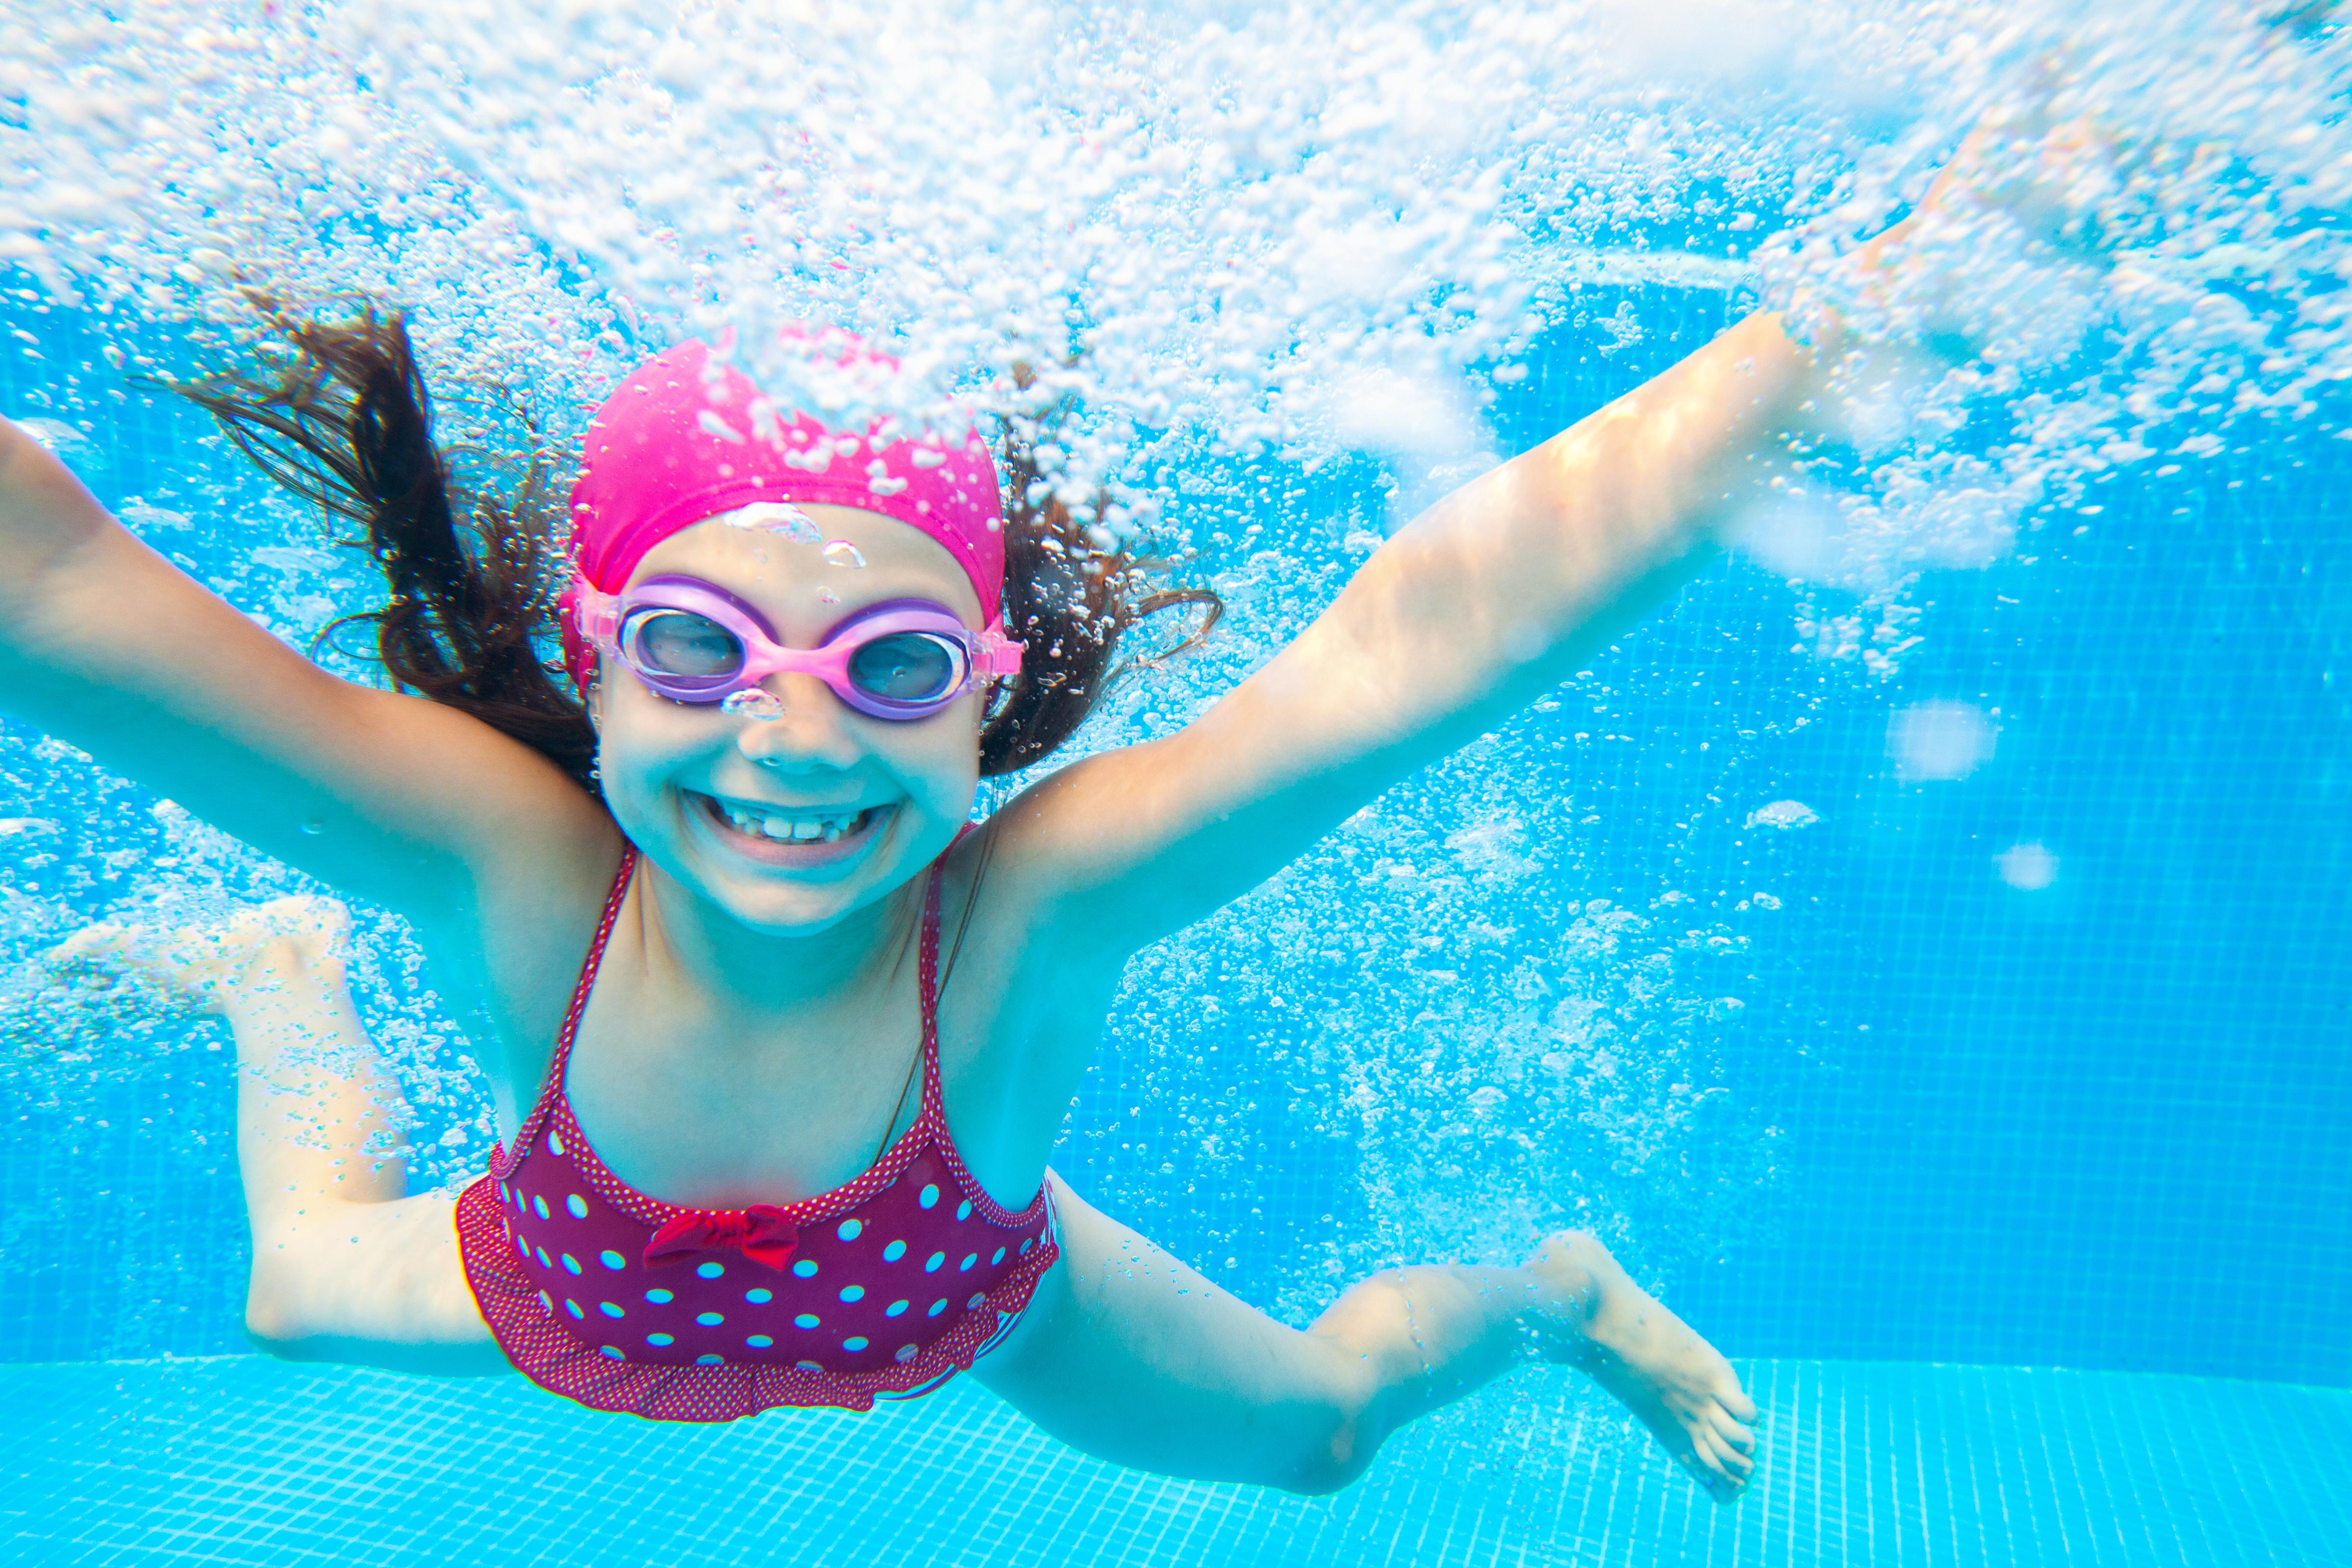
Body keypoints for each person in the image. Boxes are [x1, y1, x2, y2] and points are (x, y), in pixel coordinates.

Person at [4, 196, 1949, 1491]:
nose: (794, 735)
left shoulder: (1026, 920)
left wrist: (1863, 314)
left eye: (893, 658)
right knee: (281, 1286)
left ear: (983, 689)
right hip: (563, 1289)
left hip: (972, 1292)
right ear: (594, 656)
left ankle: (1557, 1292)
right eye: (700, 647)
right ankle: (274, 967)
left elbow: (1417, 646)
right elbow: (63, 589)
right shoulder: (512, 867)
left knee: (1328, 1433)